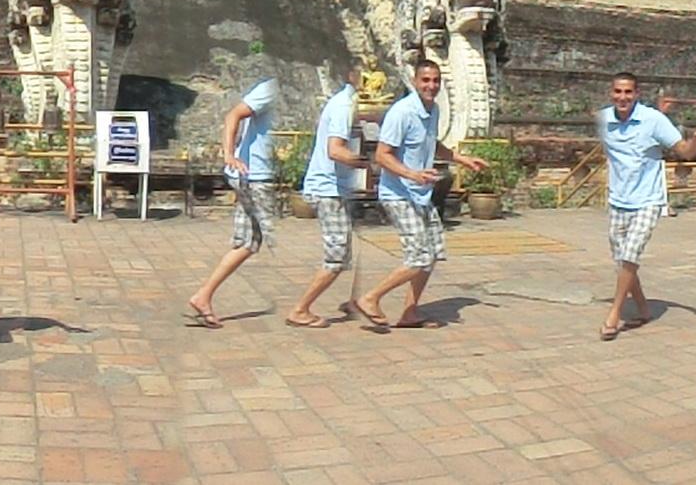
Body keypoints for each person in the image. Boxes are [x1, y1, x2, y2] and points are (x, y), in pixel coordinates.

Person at [350, 60, 486, 329]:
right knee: (419, 257)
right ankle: (370, 298)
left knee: (432, 252)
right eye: (425, 80)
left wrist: (462, 159)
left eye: (435, 81)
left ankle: (410, 312)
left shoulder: (433, 110)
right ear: (415, 82)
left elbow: (431, 143)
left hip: (421, 193)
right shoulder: (402, 112)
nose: (431, 86)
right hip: (398, 194)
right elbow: (382, 155)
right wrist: (412, 174)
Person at [598, 72, 696, 341]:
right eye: (618, 92)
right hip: (618, 200)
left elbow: (684, 151)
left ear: (637, 94)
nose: (623, 97)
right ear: (611, 93)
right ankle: (643, 309)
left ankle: (614, 315)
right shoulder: (604, 120)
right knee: (623, 261)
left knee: (630, 255)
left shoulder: (653, 120)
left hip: (648, 200)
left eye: (628, 92)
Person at [187, 78, 278, 329]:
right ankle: (203, 295)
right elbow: (233, 115)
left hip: (251, 175)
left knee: (249, 242)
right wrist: (229, 155)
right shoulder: (270, 88)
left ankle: (203, 295)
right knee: (253, 241)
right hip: (253, 176)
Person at [285, 65, 368, 328]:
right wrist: (369, 163)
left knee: (350, 250)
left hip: (338, 188)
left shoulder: (347, 103)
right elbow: (336, 150)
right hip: (328, 190)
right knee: (337, 257)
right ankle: (300, 310)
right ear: (352, 76)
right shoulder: (343, 106)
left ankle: (353, 301)